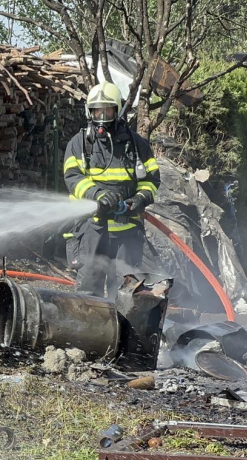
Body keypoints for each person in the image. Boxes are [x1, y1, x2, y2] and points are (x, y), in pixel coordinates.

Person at [63, 81, 160, 298]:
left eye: (107, 110)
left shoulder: (137, 145)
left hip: (127, 231)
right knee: (89, 290)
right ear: (89, 111)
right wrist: (98, 195)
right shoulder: (80, 144)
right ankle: (91, 321)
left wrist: (139, 199)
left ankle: (121, 321)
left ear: (117, 111)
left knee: (126, 293)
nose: (101, 115)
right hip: (92, 229)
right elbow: (73, 177)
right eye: (97, 110)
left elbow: (151, 180)